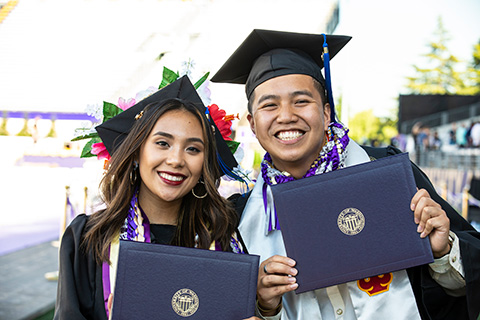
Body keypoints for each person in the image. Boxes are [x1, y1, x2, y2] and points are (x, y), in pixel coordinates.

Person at [212, 29, 480, 319]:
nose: (286, 115)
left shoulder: (387, 175)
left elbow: (456, 290)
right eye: (269, 105)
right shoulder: (240, 221)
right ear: (252, 124)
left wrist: (442, 252)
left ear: (327, 113)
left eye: (301, 101)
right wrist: (265, 304)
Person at [54, 76, 257, 319]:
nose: (176, 160)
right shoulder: (89, 238)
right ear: (137, 151)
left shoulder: (226, 235)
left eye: (193, 149)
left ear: (205, 164)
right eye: (162, 143)